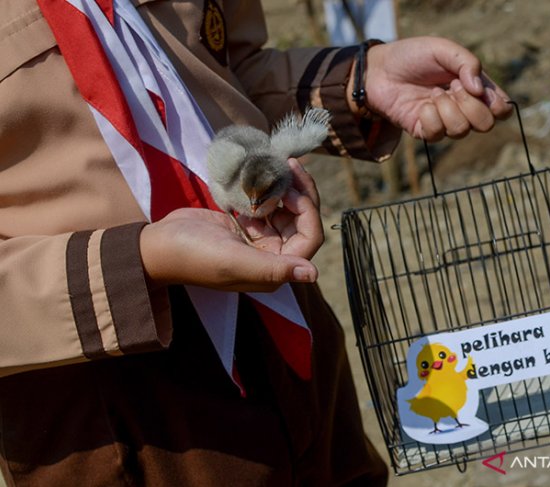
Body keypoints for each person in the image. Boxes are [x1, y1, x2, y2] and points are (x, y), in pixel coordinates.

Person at [0, 1, 512, 485]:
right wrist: (142, 261)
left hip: (284, 323)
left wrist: (358, 81)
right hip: (115, 411)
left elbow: (223, 69)